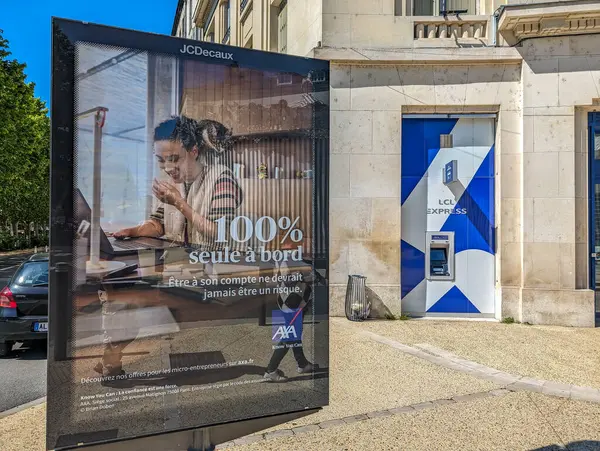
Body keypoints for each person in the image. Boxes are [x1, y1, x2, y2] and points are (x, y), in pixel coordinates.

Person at [113, 116, 242, 248]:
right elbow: (157, 225)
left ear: (194, 151)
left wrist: (178, 202)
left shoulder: (222, 179)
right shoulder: (174, 184)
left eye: (174, 159)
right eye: (161, 160)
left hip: (216, 264)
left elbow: (220, 233)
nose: (167, 168)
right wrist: (134, 231)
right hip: (182, 263)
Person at [264, 256, 318, 382]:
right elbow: (287, 279)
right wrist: (310, 277)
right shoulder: (288, 258)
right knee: (289, 335)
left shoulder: (291, 256)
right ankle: (271, 370)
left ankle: (302, 363)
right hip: (291, 302)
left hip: (296, 301)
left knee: (295, 333)